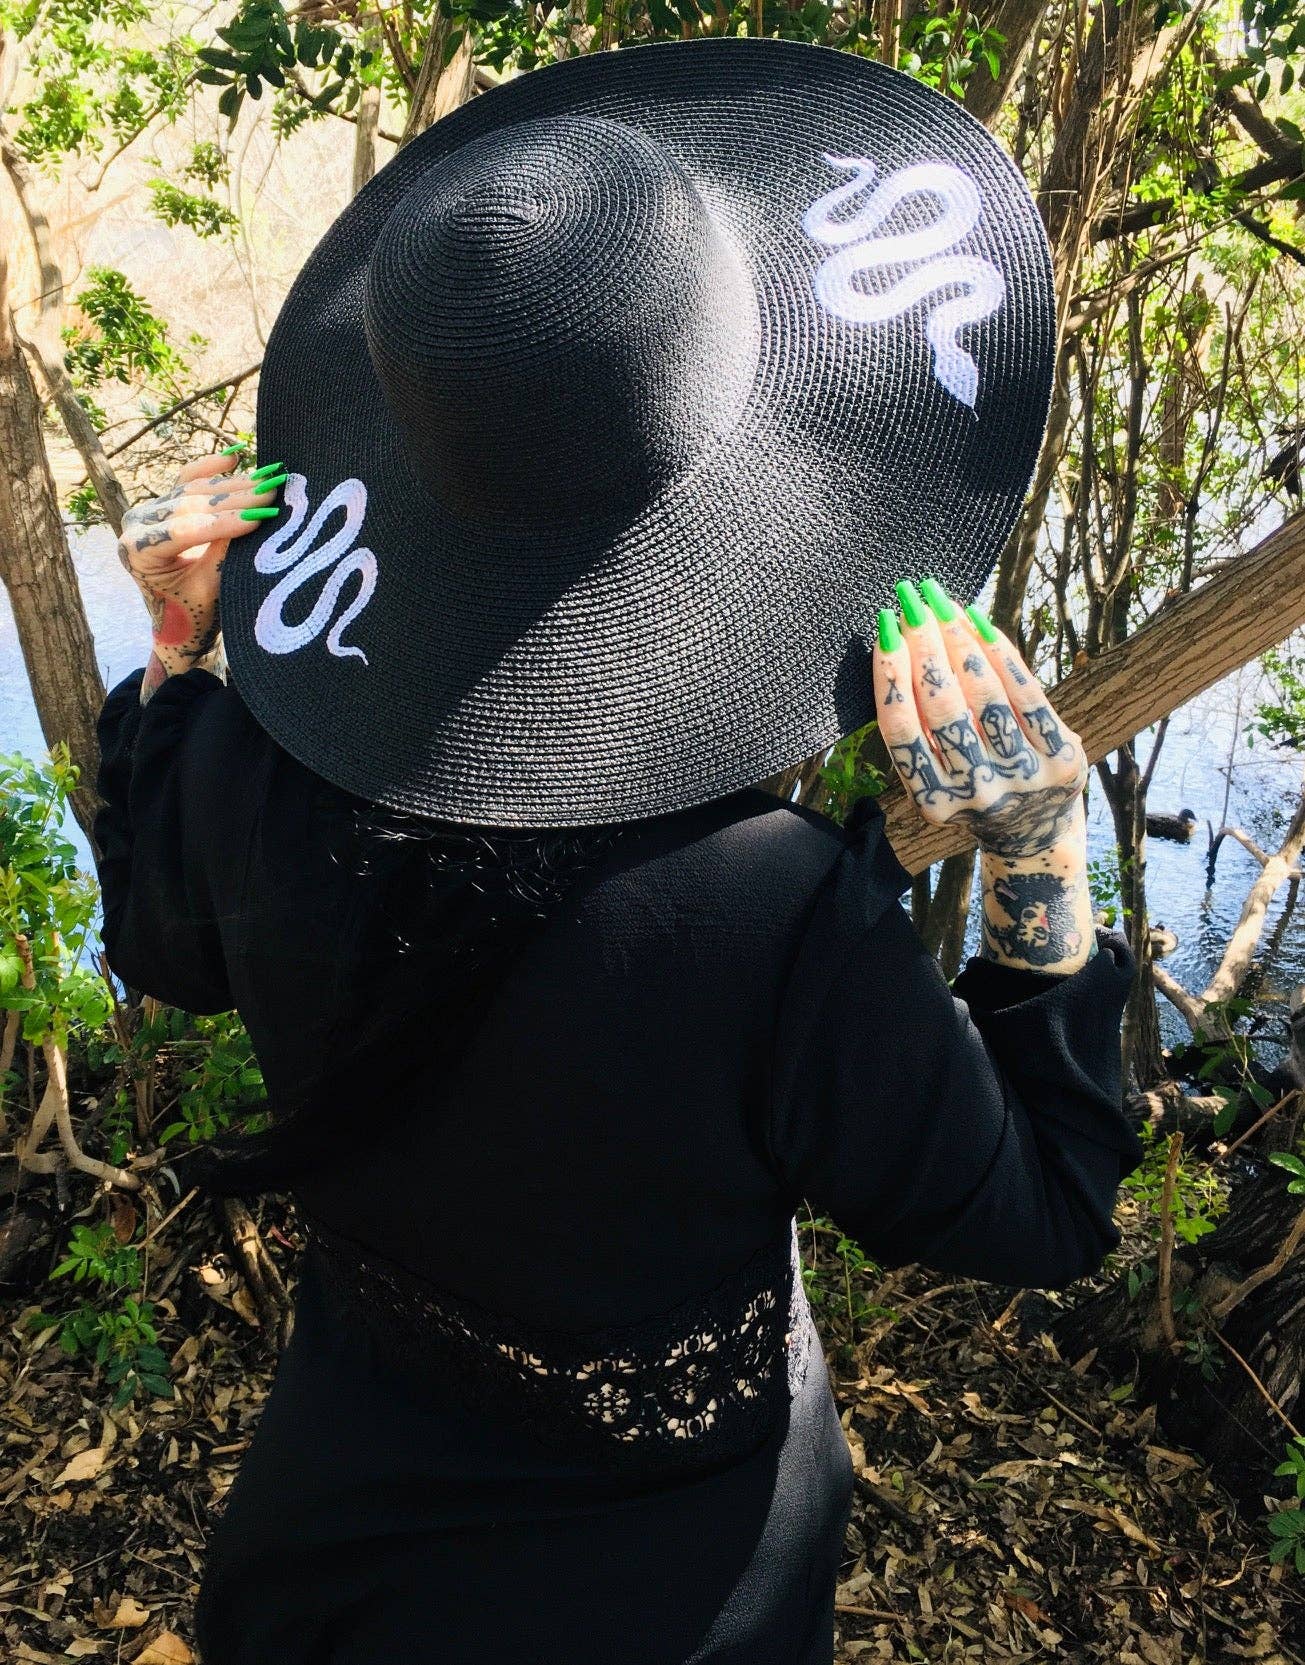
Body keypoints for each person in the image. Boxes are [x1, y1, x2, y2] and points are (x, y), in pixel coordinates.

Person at [92, 36, 1144, 1665]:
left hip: (330, 1549)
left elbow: (164, 951)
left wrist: (178, 651)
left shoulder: (247, 767)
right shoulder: (775, 914)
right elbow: (1041, 1214)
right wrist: (1036, 848)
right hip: (679, 1593)